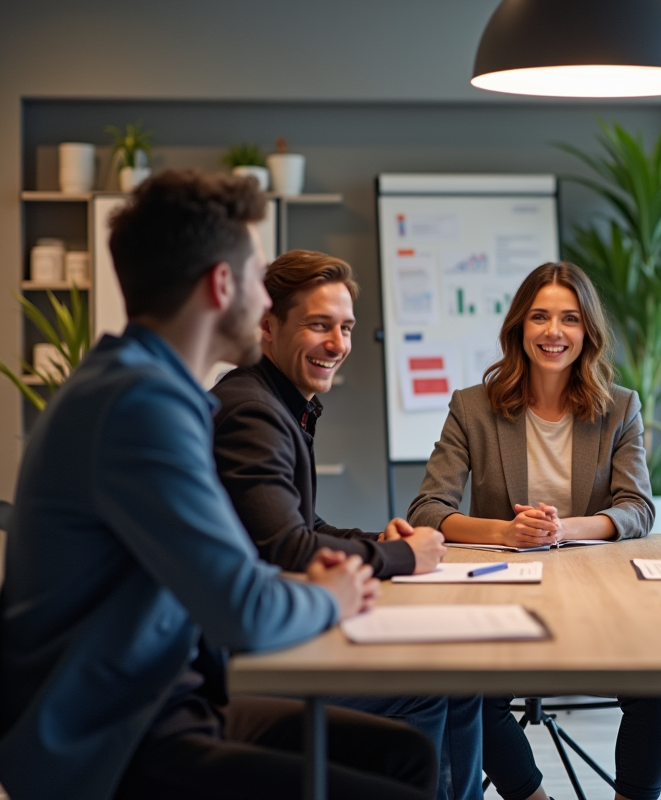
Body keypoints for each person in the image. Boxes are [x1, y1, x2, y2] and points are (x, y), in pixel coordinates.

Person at [0, 171, 436, 800]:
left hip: (162, 698)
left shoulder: (141, 386)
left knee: (406, 757)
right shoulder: (140, 407)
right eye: (257, 283)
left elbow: (236, 569)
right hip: (113, 738)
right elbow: (246, 610)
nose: (266, 307)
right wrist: (333, 596)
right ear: (221, 285)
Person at [210, 249, 480, 800]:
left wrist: (378, 540)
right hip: (246, 661)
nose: (337, 344)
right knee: (436, 687)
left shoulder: (279, 402)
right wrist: (405, 558)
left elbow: (302, 523)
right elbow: (286, 546)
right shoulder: (252, 411)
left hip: (265, 629)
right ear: (267, 326)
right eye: (318, 325)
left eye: (346, 327)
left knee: (457, 684)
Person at [408, 262, 661, 800]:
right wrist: (507, 532)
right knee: (470, 696)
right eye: (541, 317)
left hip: (598, 592)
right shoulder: (472, 407)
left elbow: (637, 508)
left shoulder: (619, 406)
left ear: (587, 332)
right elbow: (427, 510)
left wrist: (564, 529)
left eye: (570, 319)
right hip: (503, 586)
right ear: (519, 329)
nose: (554, 332)